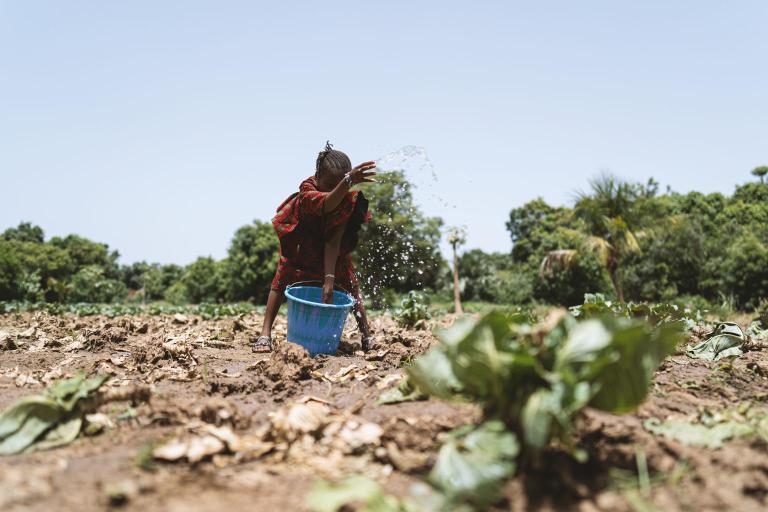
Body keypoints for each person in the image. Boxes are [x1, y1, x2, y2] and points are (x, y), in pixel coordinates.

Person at [252, 142, 377, 353]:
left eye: (339, 184)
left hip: (331, 250)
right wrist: (345, 182)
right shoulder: (307, 189)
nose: (334, 189)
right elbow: (326, 202)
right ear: (317, 176)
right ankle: (265, 333)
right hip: (303, 244)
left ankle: (366, 335)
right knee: (282, 277)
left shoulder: (347, 200)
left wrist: (329, 279)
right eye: (328, 183)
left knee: (350, 284)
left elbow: (333, 240)